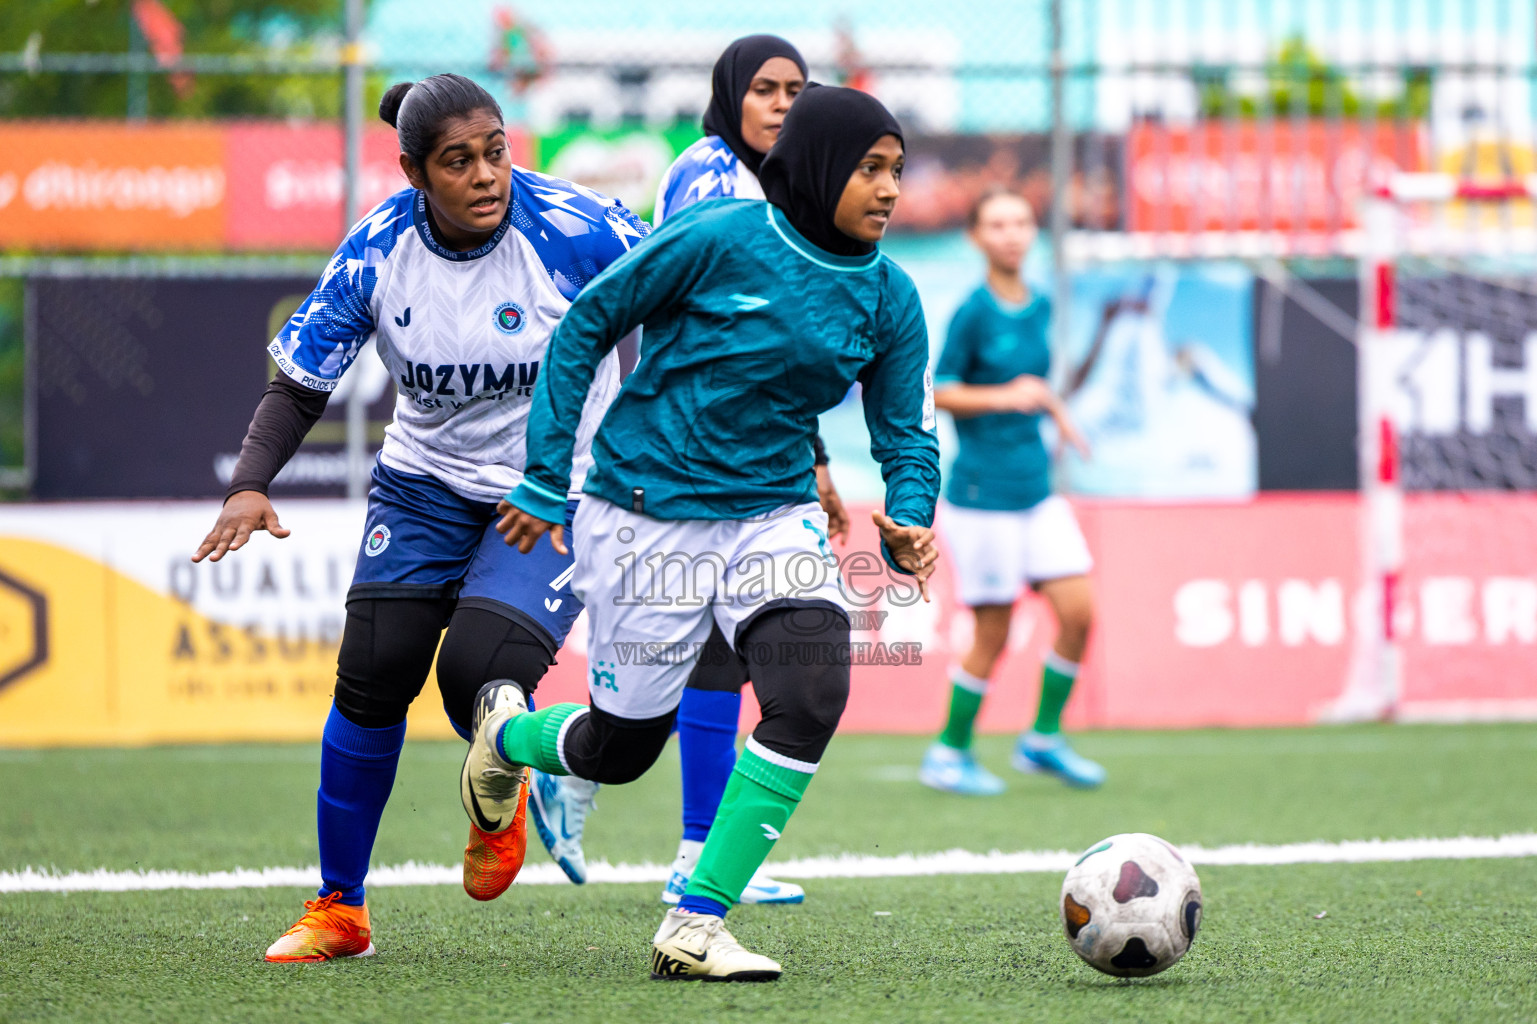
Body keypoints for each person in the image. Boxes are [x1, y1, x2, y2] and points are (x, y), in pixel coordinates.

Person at [463, 84, 939, 981]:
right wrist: (543, 473)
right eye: (870, 169)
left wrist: (911, 512)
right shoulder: (720, 235)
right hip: (642, 514)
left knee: (811, 693)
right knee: (622, 747)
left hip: (772, 515)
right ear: (821, 165)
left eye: (897, 172)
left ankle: (694, 923)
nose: (887, 190)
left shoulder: (888, 297)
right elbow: (584, 329)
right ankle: (508, 741)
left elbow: (906, 434)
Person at [191, 73, 648, 962]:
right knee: (372, 674)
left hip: (555, 488)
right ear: (412, 173)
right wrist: (250, 484)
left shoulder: (579, 229)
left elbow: (683, 305)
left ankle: (502, 773)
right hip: (425, 481)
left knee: (475, 674)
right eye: (457, 161)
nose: (486, 176)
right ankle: (340, 909)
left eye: (496, 152)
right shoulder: (375, 251)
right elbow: (300, 384)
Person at [526, 33, 842, 909]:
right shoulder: (711, 176)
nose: (783, 103)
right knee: (647, 710)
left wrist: (809, 454)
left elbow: (785, 345)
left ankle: (692, 848)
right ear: (728, 96)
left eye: (797, 90)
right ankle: (553, 756)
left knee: (726, 657)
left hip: (746, 455)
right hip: (671, 457)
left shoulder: (787, 191)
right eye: (766, 89)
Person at [917, 187, 1104, 796]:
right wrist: (1005, 396)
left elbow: (1033, 381)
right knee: (993, 630)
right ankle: (949, 752)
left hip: (1037, 490)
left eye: (1021, 222)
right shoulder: (972, 310)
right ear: (975, 236)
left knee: (1079, 613)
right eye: (996, 224)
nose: (1011, 234)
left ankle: (1043, 739)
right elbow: (937, 389)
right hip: (980, 494)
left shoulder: (1042, 304)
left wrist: (1056, 410)